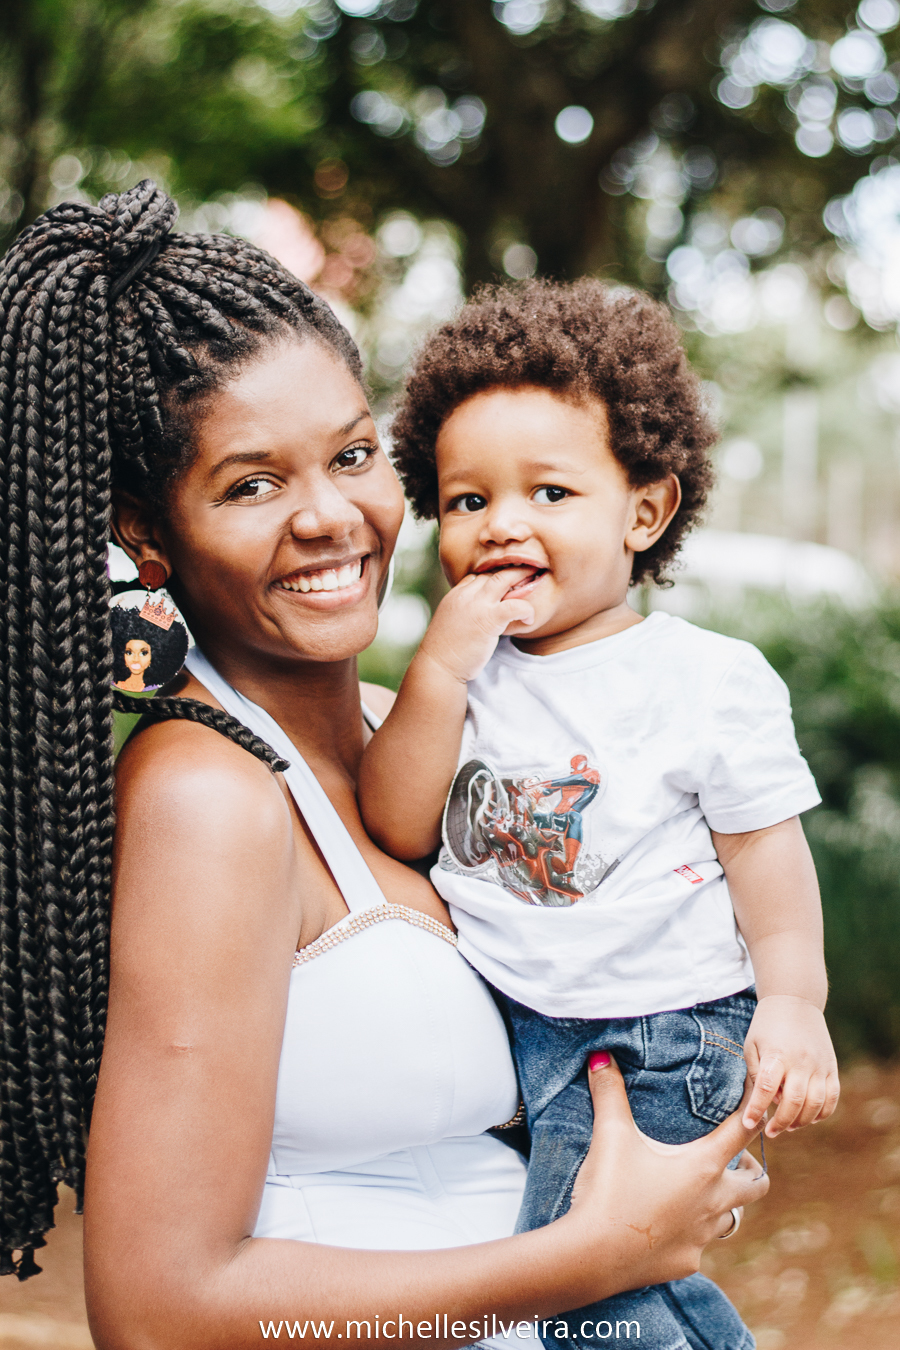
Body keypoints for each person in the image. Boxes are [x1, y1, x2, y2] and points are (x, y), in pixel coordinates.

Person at [0, 184, 767, 1349]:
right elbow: (158, 1313)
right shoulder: (210, 799)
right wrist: (589, 1256)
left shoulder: (420, 725)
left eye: (353, 453)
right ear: (146, 534)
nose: (334, 517)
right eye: (251, 484)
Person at [358, 280, 840, 1350]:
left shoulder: (702, 679)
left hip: (655, 1029)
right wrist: (437, 672)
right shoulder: (464, 678)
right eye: (470, 500)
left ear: (645, 511)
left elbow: (767, 853)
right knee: (606, 1284)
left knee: (587, 1293)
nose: (503, 525)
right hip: (528, 1030)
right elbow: (400, 826)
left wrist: (795, 1002)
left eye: (550, 494)